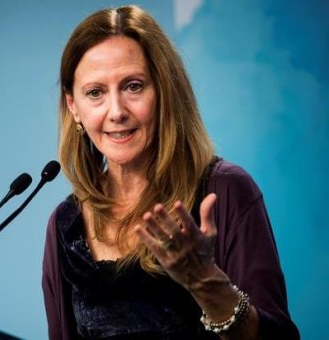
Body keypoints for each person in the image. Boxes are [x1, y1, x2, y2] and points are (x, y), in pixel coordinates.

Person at [41, 5, 299, 339]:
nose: (116, 111)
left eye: (133, 86)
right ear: (73, 106)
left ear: (164, 91)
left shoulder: (224, 191)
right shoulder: (66, 225)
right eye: (95, 93)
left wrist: (205, 283)